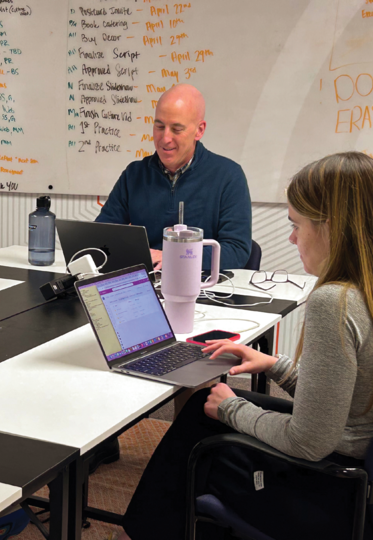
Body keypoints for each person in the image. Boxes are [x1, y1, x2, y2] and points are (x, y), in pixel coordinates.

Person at [114, 152, 373, 540]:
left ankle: (146, 532)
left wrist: (233, 408)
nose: (291, 238)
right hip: (354, 463)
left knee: (204, 422)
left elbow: (308, 441)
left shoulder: (334, 302)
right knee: (200, 413)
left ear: (331, 228)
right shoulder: (363, 289)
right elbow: (343, 397)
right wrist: (273, 365)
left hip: (333, 488)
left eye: (296, 225)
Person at [96, 84, 252, 271]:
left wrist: (175, 257)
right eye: (159, 126)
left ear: (199, 130)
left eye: (176, 129)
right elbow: (101, 237)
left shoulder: (229, 176)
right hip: (145, 285)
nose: (165, 138)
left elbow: (236, 251)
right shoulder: (134, 174)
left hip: (202, 289)